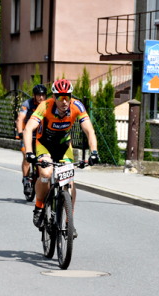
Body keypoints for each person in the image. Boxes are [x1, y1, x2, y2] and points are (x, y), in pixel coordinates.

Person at [23, 79, 99, 239]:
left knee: (69, 182)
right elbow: (28, 128)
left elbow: (89, 131)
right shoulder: (45, 106)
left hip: (64, 146)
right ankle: (38, 207)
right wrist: (29, 151)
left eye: (67, 96)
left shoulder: (77, 106)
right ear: (54, 96)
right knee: (45, 173)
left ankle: (68, 222)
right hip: (44, 143)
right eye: (60, 97)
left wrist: (94, 152)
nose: (64, 101)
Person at [16, 84, 47, 198]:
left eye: (43, 95)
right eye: (38, 95)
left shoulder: (47, 105)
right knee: (26, 156)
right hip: (28, 135)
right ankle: (25, 180)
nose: (41, 97)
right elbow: (20, 119)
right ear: (34, 95)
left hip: (41, 136)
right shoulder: (27, 104)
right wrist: (20, 132)